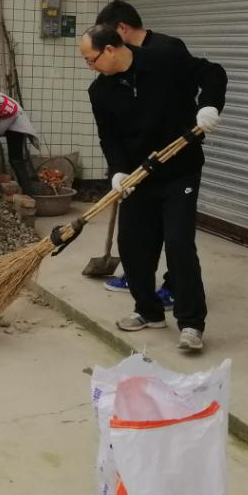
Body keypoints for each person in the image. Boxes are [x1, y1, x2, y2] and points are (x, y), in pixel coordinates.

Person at [79, 24, 227, 351]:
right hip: (138, 175)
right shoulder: (100, 92)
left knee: (178, 243)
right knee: (132, 244)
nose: (89, 66)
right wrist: (118, 172)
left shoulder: (165, 59)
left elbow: (213, 72)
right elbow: (109, 137)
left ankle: (191, 324)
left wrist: (209, 105)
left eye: (91, 59)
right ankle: (148, 311)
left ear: (110, 49)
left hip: (180, 170)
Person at [95, 1, 189, 306]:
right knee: (137, 228)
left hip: (171, 157)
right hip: (137, 160)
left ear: (122, 29)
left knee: (173, 232)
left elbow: (182, 97)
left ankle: (175, 286)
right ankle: (137, 276)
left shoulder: (168, 49)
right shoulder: (121, 64)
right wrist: (118, 166)